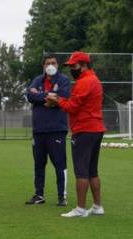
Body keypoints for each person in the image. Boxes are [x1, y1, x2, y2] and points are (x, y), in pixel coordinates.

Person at [46, 51, 106, 217]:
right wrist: (60, 99)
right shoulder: (94, 80)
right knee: (92, 170)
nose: (72, 68)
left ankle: (80, 209)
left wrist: (56, 100)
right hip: (96, 128)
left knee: (81, 171)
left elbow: (72, 107)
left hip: (84, 129)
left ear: (84, 65)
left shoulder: (84, 81)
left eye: (74, 65)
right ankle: (97, 206)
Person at [25, 54, 70, 206]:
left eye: (53, 63)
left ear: (57, 65)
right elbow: (30, 95)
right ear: (43, 66)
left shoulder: (63, 80)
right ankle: (39, 194)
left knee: (59, 163)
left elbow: (63, 97)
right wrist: (48, 96)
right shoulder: (38, 80)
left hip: (57, 129)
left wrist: (46, 98)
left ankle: (61, 196)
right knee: (39, 164)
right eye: (48, 63)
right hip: (38, 130)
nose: (51, 65)